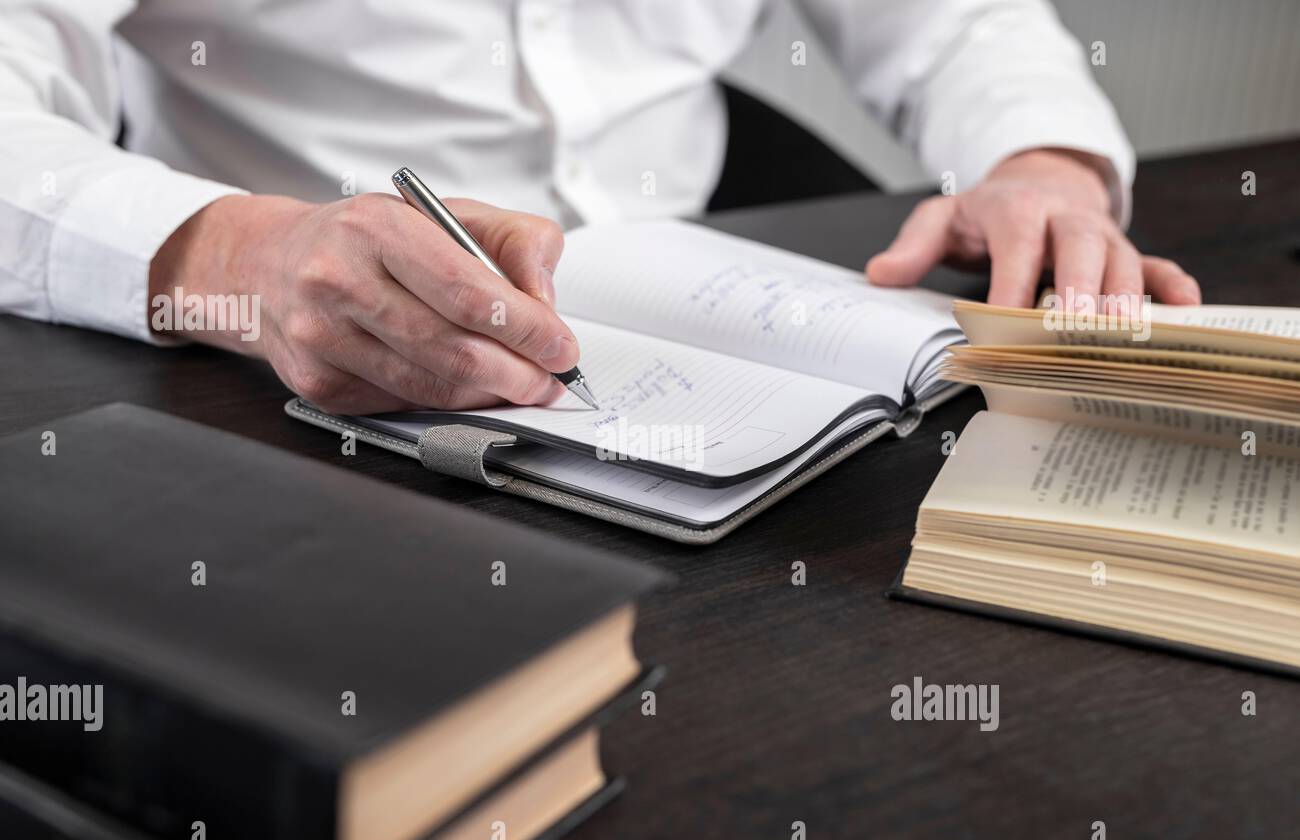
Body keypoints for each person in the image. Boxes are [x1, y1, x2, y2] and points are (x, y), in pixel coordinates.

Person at [0, 0, 1201, 415]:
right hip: (281, 345)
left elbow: (952, 25)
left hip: (716, 247)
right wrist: (238, 255)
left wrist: (1038, 162)